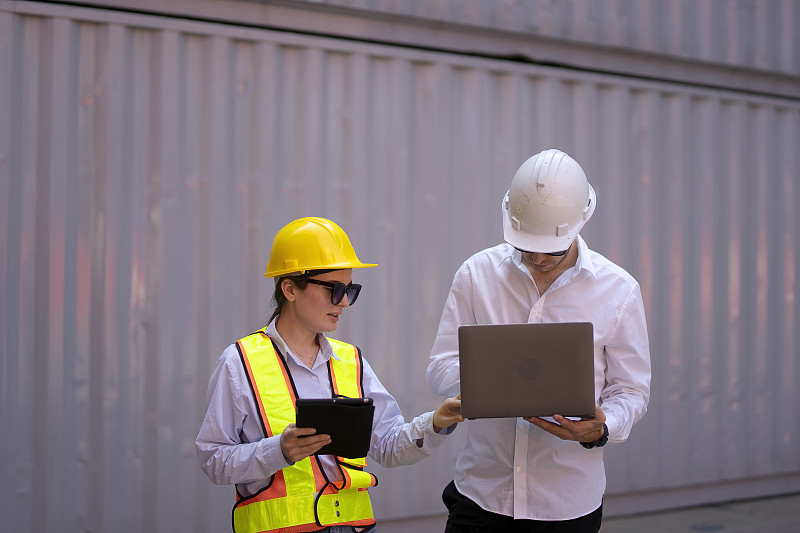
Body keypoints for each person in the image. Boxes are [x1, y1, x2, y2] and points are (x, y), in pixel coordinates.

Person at [426, 149, 651, 533]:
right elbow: (440, 367)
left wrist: (604, 427)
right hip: (480, 497)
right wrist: (492, 381)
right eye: (526, 245)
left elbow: (631, 390)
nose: (538, 257)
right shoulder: (476, 275)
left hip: (567, 506)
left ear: (580, 223)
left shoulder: (619, 290)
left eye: (551, 249)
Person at [196, 216, 463, 533]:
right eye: (335, 290)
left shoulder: (351, 360)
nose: (345, 303)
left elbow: (387, 447)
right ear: (290, 288)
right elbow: (213, 460)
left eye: (350, 289)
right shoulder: (239, 363)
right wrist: (278, 451)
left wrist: (435, 422)